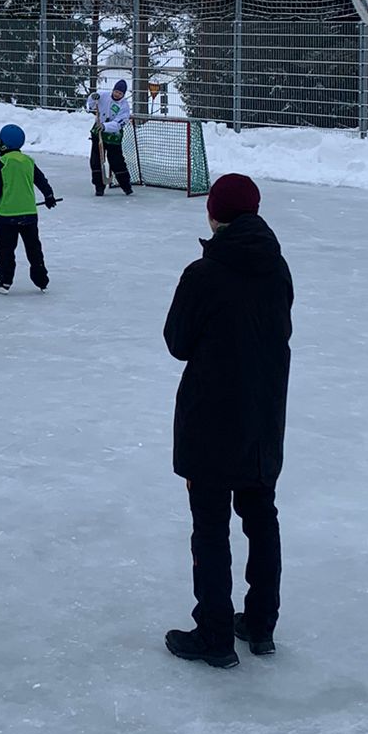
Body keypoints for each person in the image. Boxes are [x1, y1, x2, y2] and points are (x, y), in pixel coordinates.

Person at [162, 172, 293, 668]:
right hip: (262, 419)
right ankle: (260, 625)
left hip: (211, 421)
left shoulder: (204, 273)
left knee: (211, 526)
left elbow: (178, 342)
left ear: (214, 215)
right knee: (262, 519)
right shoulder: (277, 268)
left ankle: (215, 634)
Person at [0, 122, 55, 292]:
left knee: (6, 250)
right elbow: (41, 180)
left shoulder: (2, 162)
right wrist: (49, 196)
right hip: (29, 214)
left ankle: (5, 281)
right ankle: (42, 281)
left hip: (8, 215)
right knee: (34, 249)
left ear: (3, 143)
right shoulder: (28, 161)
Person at [86, 77, 133, 195]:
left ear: (123, 94)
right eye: (116, 91)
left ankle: (126, 186)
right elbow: (90, 105)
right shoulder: (103, 96)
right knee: (95, 161)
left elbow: (119, 123)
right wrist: (92, 97)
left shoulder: (124, 106)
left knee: (116, 161)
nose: (117, 94)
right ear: (113, 90)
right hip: (98, 133)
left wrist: (105, 126)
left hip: (113, 136)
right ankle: (99, 187)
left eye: (120, 93)